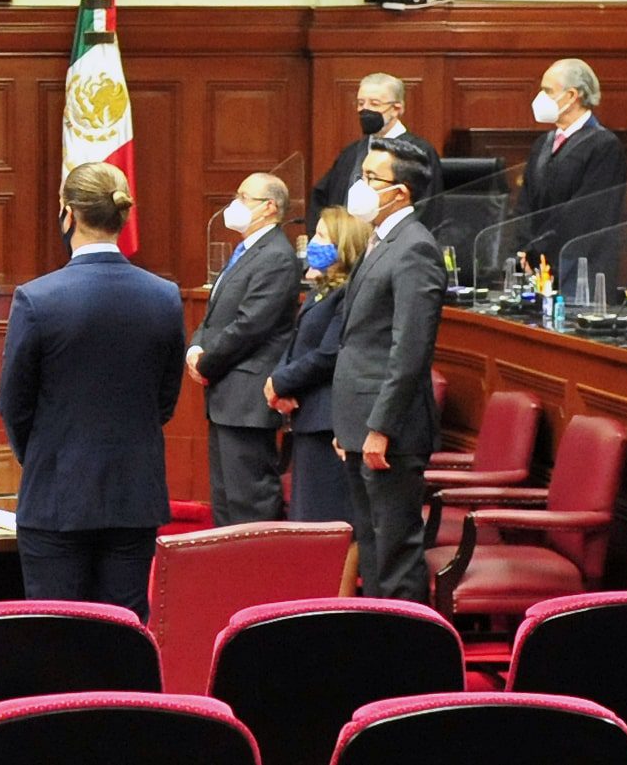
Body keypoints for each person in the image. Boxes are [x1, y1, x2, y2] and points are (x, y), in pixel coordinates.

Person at [0, 162, 184, 617]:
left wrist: (43, 453)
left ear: (69, 214)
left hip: (57, 493)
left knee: (58, 634)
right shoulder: (163, 295)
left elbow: (13, 403)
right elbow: (165, 398)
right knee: (125, 630)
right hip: (133, 492)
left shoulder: (38, 298)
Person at [332, 137, 445, 603]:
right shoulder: (382, 242)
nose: (360, 185)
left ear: (400, 192)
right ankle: (378, 643)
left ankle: (412, 659)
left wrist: (379, 427)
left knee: (396, 551)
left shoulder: (415, 248)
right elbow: (359, 338)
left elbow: (409, 350)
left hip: (390, 432)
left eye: (371, 178)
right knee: (373, 545)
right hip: (362, 423)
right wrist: (349, 424)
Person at [186, 171, 297, 526]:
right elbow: (217, 312)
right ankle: (230, 575)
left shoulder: (276, 256)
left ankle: (260, 575)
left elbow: (250, 325)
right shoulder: (246, 251)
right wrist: (195, 348)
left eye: (243, 198)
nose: (234, 205)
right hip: (227, 394)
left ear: (269, 207)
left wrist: (207, 363)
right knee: (225, 498)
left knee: (250, 498)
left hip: (247, 395)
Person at [263, 206, 373, 524]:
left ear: (345, 246)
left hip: (328, 419)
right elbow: (297, 341)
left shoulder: (347, 294)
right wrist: (278, 381)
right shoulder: (319, 292)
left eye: (322, 236)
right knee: (306, 512)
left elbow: (329, 354)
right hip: (306, 413)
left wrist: (282, 383)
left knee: (325, 516)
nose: (313, 242)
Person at [513, 58, 627, 283]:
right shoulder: (542, 144)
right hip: (536, 269)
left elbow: (587, 212)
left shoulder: (604, 146)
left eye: (548, 91)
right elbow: (525, 204)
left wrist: (543, 250)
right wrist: (526, 249)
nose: (540, 98)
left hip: (579, 269)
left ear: (573, 96)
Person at [313, 73, 442, 217]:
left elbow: (428, 210)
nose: (365, 110)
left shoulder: (419, 153)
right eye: (361, 103)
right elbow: (323, 199)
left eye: (374, 104)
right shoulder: (351, 153)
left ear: (396, 109)